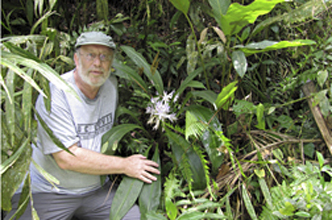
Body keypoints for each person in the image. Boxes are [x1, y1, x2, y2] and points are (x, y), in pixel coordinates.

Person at [5, 31, 160, 220]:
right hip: (49, 192)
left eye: (104, 57)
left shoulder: (110, 87)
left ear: (111, 63)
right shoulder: (55, 93)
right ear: (76, 59)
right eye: (90, 55)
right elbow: (66, 158)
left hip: (97, 191)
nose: (97, 63)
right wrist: (125, 165)